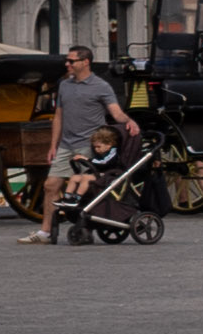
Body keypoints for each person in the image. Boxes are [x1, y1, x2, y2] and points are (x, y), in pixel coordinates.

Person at [36, 45, 134, 243]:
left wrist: (130, 121)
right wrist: (53, 145)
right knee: (50, 185)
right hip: (66, 144)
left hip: (89, 145)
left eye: (71, 61)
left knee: (86, 186)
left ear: (85, 62)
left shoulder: (101, 86)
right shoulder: (64, 85)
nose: (67, 64)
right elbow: (58, 117)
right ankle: (45, 232)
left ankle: (85, 226)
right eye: (67, 60)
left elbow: (115, 112)